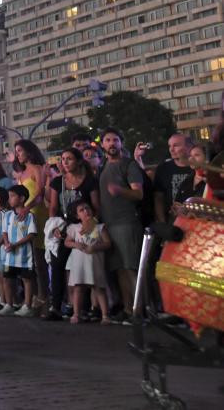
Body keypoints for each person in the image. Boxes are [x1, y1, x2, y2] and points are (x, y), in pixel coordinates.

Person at [43, 147, 99, 320]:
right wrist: (55, 227)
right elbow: (53, 207)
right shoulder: (57, 182)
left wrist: (91, 223)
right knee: (57, 265)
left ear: (79, 161)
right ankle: (56, 306)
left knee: (85, 265)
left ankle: (88, 307)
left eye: (69, 159)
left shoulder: (90, 181)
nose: (65, 162)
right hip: (64, 228)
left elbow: (96, 206)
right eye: (63, 159)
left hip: (85, 227)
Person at [97, 127, 144, 321]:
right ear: (103, 145)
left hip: (126, 222)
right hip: (109, 224)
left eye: (115, 140)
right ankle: (127, 308)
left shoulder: (129, 165)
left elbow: (139, 194)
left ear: (121, 143)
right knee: (119, 269)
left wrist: (119, 190)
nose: (112, 144)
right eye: (108, 140)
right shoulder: (103, 168)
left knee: (130, 268)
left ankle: (139, 310)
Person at [12, 140, 49, 313]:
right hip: (24, 216)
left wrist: (27, 206)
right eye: (16, 151)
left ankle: (44, 295)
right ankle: (32, 296)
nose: (18, 154)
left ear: (29, 151)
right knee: (29, 259)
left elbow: (40, 194)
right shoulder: (21, 174)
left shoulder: (37, 168)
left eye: (20, 150)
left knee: (39, 258)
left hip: (37, 213)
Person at [64, 201, 112, 324]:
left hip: (94, 263)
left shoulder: (99, 227)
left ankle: (105, 315)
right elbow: (67, 242)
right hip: (79, 264)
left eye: (87, 208)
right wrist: (76, 244)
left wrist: (95, 248)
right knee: (78, 288)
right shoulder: (74, 228)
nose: (86, 211)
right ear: (77, 216)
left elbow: (107, 243)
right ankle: (76, 314)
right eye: (81, 210)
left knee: (98, 288)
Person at [0, 185, 38, 317]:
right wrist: (6, 243)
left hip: (24, 256)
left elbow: (31, 234)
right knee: (7, 279)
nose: (9, 199)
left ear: (22, 199)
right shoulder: (8, 215)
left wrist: (16, 244)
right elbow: (4, 231)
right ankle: (9, 304)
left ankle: (27, 305)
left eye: (12, 196)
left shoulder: (29, 216)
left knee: (26, 279)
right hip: (10, 255)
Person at [153, 133, 195, 225]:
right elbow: (158, 197)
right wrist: (162, 222)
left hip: (196, 221)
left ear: (189, 147)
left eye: (176, 145)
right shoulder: (163, 168)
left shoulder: (198, 168)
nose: (171, 149)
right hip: (172, 222)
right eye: (169, 146)